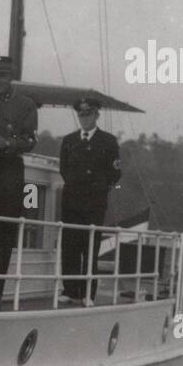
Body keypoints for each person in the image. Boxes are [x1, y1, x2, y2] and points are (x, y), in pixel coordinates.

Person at [0, 55, 37, 310]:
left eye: (2, 75)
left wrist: (8, 143)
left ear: (10, 77)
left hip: (9, 175)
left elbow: (31, 140)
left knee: (2, 237)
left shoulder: (25, 105)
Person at [59, 95, 122, 305]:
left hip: (94, 204)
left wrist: (97, 188)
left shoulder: (108, 141)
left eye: (88, 114)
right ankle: (70, 290)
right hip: (71, 203)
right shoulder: (69, 141)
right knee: (70, 247)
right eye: (81, 114)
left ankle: (88, 294)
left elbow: (115, 173)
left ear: (97, 115)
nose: (84, 118)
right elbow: (64, 170)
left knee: (90, 249)